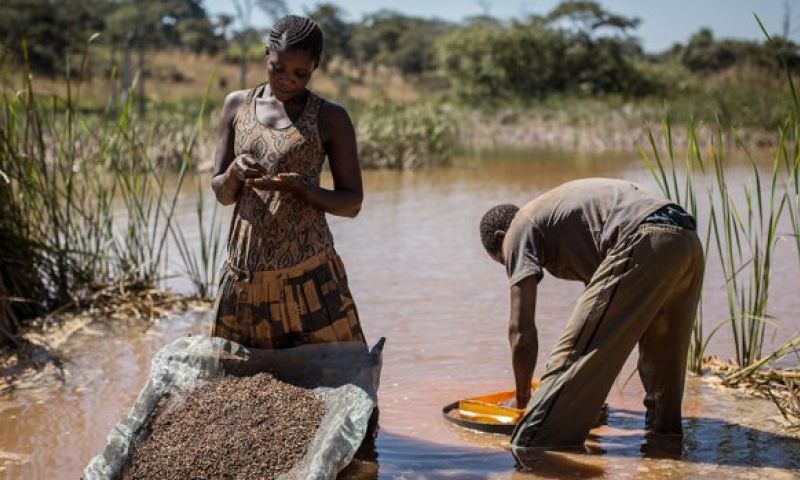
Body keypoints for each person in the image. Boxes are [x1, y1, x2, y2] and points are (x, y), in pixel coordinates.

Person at [479, 178, 704, 450]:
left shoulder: (518, 229)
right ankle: (664, 453)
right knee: (664, 366)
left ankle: (535, 451)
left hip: (645, 235)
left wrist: (523, 400)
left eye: (505, 260)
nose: (512, 263)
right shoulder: (559, 219)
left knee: (537, 436)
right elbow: (601, 326)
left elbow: (521, 330)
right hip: (685, 238)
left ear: (501, 240)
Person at [210, 15, 366, 349]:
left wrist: (304, 190)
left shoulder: (330, 117)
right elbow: (222, 193)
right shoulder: (237, 105)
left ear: (315, 68)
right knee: (239, 387)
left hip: (309, 280)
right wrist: (235, 170)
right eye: (277, 68)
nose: (287, 80)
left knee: (333, 379)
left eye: (300, 73)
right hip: (245, 276)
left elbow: (352, 203)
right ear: (266, 55)